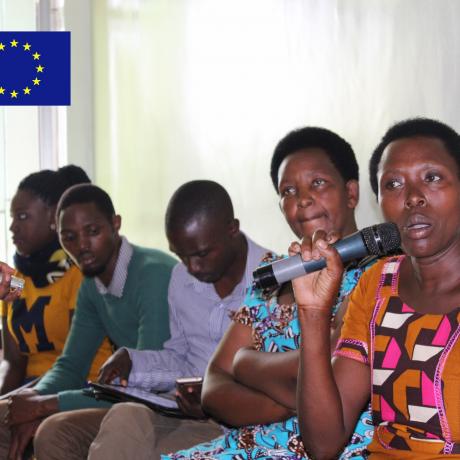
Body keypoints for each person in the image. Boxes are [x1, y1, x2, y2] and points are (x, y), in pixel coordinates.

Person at [31, 179, 269, 460]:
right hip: (178, 408)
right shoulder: (181, 278)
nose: (191, 267)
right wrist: (132, 361)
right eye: (180, 255)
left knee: (153, 449)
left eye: (202, 254)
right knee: (93, 424)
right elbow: (179, 358)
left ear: (232, 229)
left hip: (235, 421)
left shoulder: (275, 283)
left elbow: (281, 383)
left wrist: (214, 398)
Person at [294, 118, 460, 459]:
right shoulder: (378, 282)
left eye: (432, 177)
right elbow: (323, 445)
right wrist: (313, 314)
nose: (413, 197)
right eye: (394, 184)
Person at [0, 183, 176, 460]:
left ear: (115, 224)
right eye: (69, 237)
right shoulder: (89, 284)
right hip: (118, 395)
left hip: (168, 401)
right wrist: (31, 402)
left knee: (55, 431)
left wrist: (44, 405)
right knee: (4, 414)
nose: (81, 246)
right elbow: (71, 365)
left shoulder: (151, 275)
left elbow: (144, 383)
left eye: (92, 232)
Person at [0, 167, 111, 397]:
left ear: (53, 218)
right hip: (29, 389)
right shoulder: (18, 281)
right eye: (12, 218)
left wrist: (15, 401)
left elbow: (72, 365)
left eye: (22, 216)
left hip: (82, 388)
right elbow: (13, 362)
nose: (12, 227)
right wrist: (4, 399)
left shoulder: (80, 276)